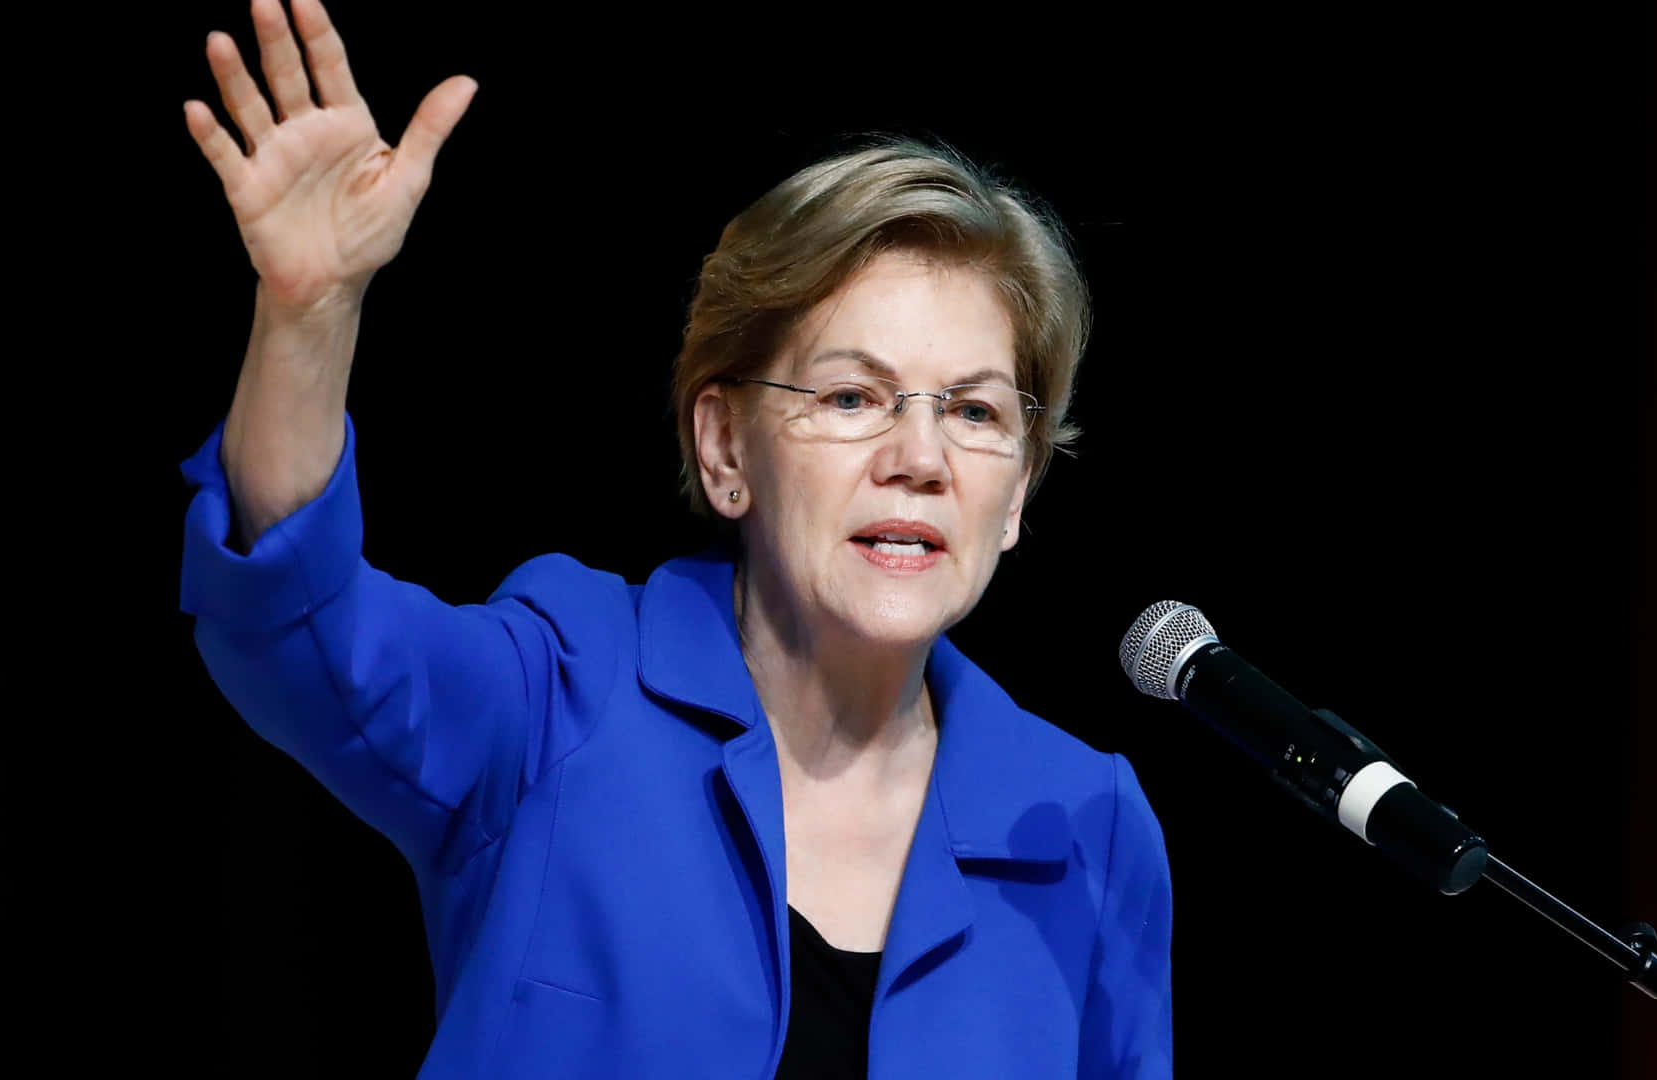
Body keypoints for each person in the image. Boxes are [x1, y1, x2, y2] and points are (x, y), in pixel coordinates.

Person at [176, 1, 1172, 1076]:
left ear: (1018, 488)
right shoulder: (565, 688)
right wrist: (310, 317)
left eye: (974, 412)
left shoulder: (1082, 823)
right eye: (851, 397)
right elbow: (301, 630)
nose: (920, 457)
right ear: (726, 447)